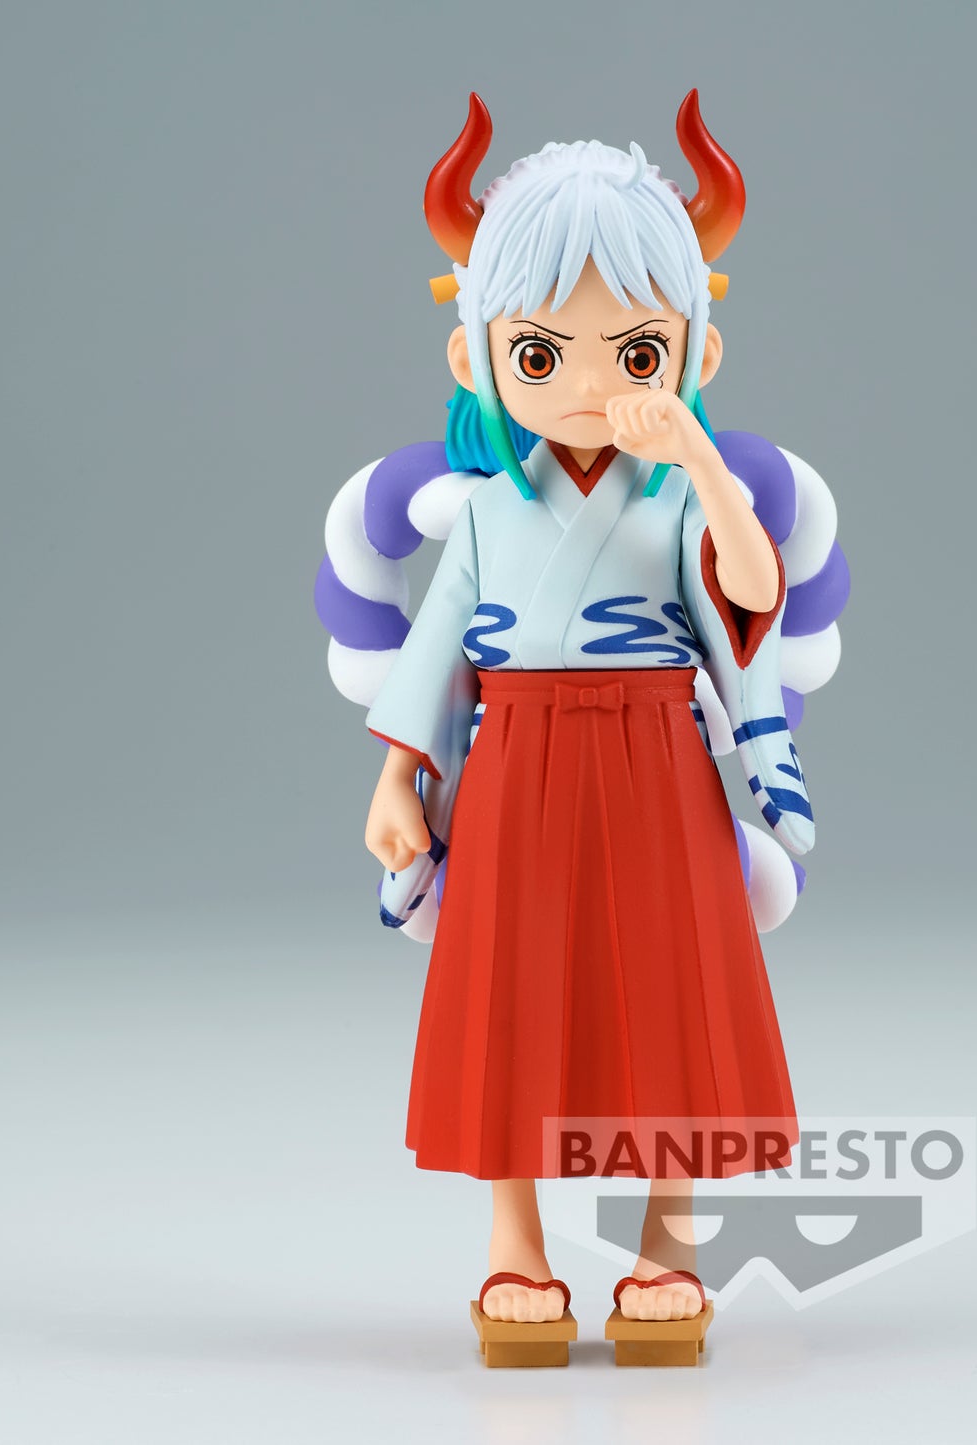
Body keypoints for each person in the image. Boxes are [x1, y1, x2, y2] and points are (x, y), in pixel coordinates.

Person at [322, 92, 846, 1349]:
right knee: (511, 987)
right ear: (477, 358)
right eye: (542, 353)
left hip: (657, 756)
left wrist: (701, 461)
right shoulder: (488, 512)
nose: (594, 384)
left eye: (638, 353)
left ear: (695, 356)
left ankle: (668, 1246)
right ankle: (515, 1243)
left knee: (666, 987)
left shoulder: (683, 499)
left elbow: (751, 592)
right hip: (514, 758)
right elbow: (437, 648)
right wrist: (397, 779)